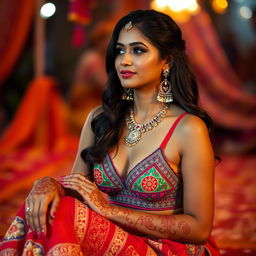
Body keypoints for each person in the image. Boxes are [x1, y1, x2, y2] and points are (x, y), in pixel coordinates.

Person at [0, 10, 220, 255]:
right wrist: (46, 184)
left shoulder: (187, 128)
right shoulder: (100, 119)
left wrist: (109, 211)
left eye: (138, 50)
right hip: (113, 239)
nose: (124, 60)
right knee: (46, 206)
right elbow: (75, 190)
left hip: (166, 248)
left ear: (166, 60)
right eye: (119, 50)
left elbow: (200, 229)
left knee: (62, 214)